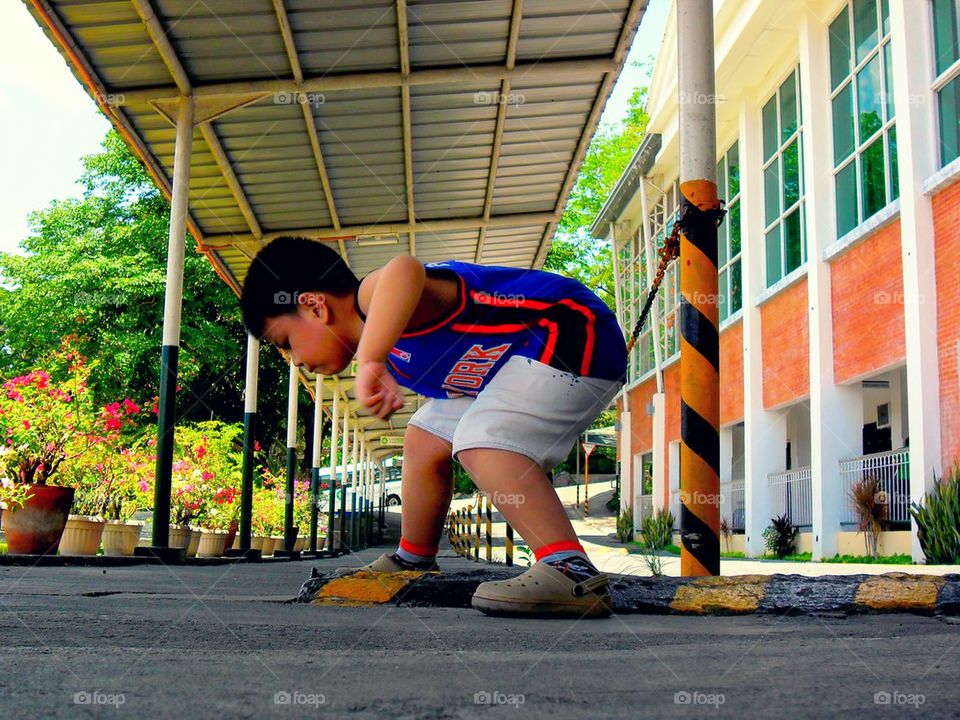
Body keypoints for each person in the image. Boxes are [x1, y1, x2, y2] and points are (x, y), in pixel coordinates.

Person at [240, 237, 626, 617]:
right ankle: (414, 558)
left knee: (483, 440)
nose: (292, 360)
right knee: (424, 436)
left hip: (570, 333)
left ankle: (568, 568)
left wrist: (373, 360)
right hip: (519, 364)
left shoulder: (370, 300)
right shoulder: (392, 347)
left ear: (314, 306)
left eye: (286, 341)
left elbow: (404, 269)